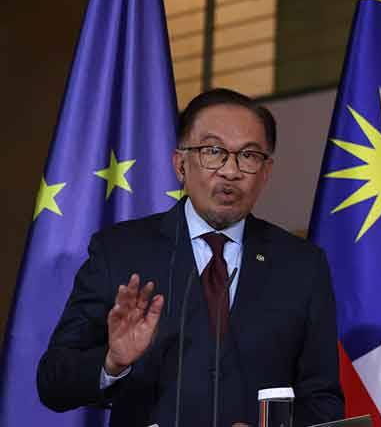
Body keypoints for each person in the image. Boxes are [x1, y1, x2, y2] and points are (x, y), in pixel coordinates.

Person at [37, 88, 344, 427]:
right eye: (213, 152)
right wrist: (112, 362)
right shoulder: (120, 250)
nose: (231, 171)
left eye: (249, 156)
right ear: (181, 164)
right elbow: (53, 382)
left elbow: (323, 400)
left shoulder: (302, 265)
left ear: (266, 171)